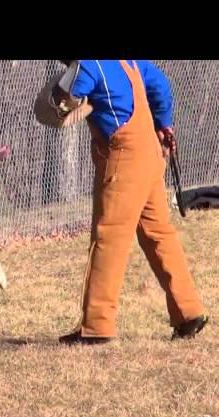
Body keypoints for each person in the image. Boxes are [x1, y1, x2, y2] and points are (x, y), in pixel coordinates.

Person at [40, 60, 208, 344]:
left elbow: (68, 99)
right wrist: (163, 124)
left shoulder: (90, 65)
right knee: (159, 234)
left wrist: (58, 100)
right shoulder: (129, 60)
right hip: (150, 154)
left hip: (123, 159)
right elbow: (160, 86)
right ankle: (188, 312)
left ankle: (97, 327)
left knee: (109, 238)